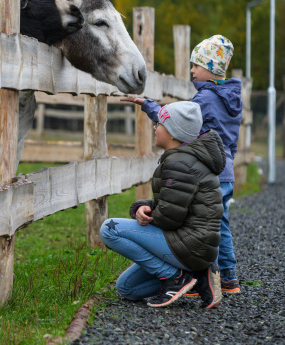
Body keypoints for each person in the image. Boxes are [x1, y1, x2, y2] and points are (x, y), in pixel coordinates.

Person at [121, 34, 242, 294]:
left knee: (206, 226)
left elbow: (177, 121)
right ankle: (226, 276)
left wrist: (149, 106)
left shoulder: (207, 100)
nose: (191, 71)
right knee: (221, 224)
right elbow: (230, 142)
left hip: (210, 174)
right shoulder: (231, 100)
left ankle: (214, 276)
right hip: (226, 171)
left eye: (196, 66)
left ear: (210, 69)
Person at [100, 101, 225, 308]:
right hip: (194, 245)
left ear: (174, 133)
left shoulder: (180, 163)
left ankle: (176, 277)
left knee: (110, 229)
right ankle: (196, 275)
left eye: (160, 124)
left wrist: (147, 215)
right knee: (127, 289)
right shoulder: (185, 159)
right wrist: (142, 207)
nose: (155, 127)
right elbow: (173, 203)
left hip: (191, 245)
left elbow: (169, 218)